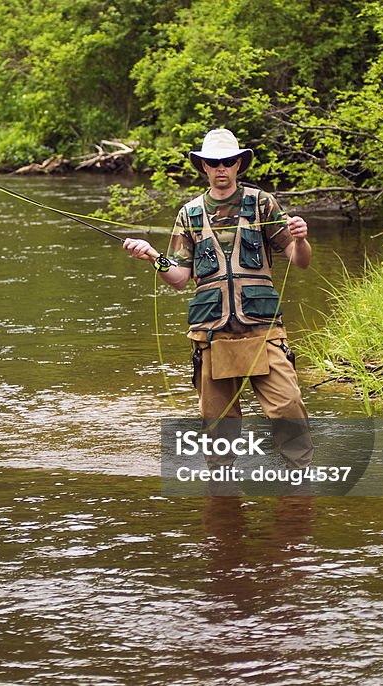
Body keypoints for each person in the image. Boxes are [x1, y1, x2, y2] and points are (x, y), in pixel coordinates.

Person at [124, 128, 313, 469]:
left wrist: (300, 239)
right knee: (219, 431)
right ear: (204, 167)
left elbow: (300, 260)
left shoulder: (262, 203)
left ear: (239, 163)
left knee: (287, 408)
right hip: (212, 333)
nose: (221, 168)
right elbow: (179, 278)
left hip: (261, 330)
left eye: (227, 161)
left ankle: (299, 493)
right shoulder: (189, 214)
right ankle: (223, 503)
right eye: (213, 162)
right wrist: (153, 256)